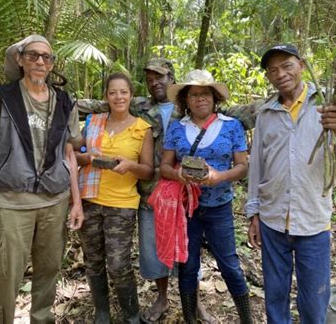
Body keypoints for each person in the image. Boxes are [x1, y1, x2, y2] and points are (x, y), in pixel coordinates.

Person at [78, 58, 259, 323]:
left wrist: (283, 99)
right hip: (153, 193)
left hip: (196, 200)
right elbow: (104, 104)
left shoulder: (210, 116)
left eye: (160, 77)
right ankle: (163, 300)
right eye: (150, 79)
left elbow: (246, 119)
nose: (155, 82)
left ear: (171, 78)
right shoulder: (139, 105)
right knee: (158, 253)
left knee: (204, 258)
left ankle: (201, 307)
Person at [245, 44, 336, 324]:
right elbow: (257, 167)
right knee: (275, 298)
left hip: (313, 221)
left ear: (301, 65)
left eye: (287, 65)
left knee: (314, 301)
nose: (281, 74)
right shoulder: (266, 113)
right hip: (272, 219)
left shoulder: (329, 103)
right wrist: (253, 213)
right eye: (273, 70)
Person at [0, 34, 84, 323]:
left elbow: (70, 155)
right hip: (11, 204)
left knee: (49, 271)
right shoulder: (1, 97)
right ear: (20, 60)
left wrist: (76, 202)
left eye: (46, 57)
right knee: (6, 275)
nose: (40, 61)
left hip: (54, 203)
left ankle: (41, 319)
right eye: (33, 55)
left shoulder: (65, 101)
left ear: (52, 64)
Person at [160, 69, 253, 324]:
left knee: (229, 265)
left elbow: (243, 166)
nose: (200, 99)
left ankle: (247, 319)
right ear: (185, 100)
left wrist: (218, 177)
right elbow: (164, 167)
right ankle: (190, 318)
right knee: (187, 267)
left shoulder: (231, 126)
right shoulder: (177, 128)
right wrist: (179, 175)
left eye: (205, 94)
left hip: (219, 208)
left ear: (214, 98)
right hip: (186, 209)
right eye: (194, 94)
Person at [76, 72, 154, 324]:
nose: (118, 97)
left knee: (119, 263)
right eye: (113, 92)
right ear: (106, 96)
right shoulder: (94, 121)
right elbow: (75, 155)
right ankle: (102, 311)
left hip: (121, 204)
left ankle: (131, 315)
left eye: (123, 92)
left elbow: (148, 170)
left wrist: (130, 165)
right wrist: (88, 158)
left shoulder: (142, 128)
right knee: (93, 259)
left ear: (131, 95)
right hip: (89, 198)